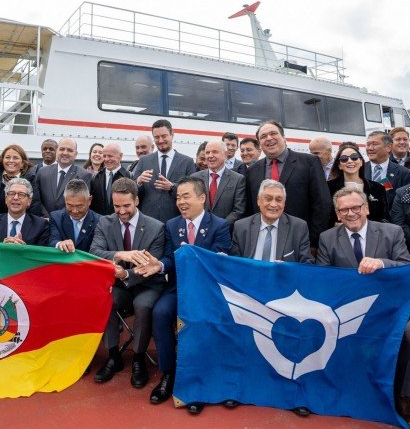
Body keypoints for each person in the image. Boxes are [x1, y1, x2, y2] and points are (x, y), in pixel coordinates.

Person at [316, 187, 410, 426]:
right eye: (344, 210)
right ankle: (340, 389)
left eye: (356, 208)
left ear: (367, 208)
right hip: (347, 308)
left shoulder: (391, 232)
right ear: (338, 213)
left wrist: (381, 263)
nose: (351, 213)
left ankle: (403, 397)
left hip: (391, 306)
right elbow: (323, 277)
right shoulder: (327, 238)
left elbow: (406, 267)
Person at [136, 177, 230, 413]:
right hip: (179, 288)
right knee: (160, 312)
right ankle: (168, 373)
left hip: (207, 292)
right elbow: (169, 257)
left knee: (198, 320)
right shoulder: (172, 225)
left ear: (201, 198)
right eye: (178, 197)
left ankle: (199, 380)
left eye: (186, 196)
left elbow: (220, 263)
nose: (180, 201)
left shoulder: (219, 226)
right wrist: (159, 266)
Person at [90, 178, 165, 389]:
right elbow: (94, 252)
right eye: (116, 206)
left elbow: (149, 267)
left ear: (137, 201)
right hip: (119, 285)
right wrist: (121, 254)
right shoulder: (105, 222)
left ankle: (139, 358)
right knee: (106, 300)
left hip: (147, 284)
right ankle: (113, 356)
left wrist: (125, 274)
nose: (121, 211)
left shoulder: (156, 227)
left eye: (126, 206)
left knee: (143, 306)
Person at [245, 120, 332, 248]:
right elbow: (250, 208)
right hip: (262, 241)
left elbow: (322, 204)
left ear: (283, 137)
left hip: (300, 241)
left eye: (273, 133)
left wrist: (313, 242)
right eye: (263, 136)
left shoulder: (310, 162)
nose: (269, 138)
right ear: (260, 144)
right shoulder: (252, 170)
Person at [230, 179, 312, 262]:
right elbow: (234, 263)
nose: (273, 204)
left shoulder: (298, 228)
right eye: (268, 199)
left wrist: (287, 268)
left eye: (279, 200)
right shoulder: (241, 227)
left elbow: (307, 264)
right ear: (258, 200)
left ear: (284, 203)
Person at [134, 119, 197, 223]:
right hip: (148, 222)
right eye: (157, 137)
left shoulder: (187, 162)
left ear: (172, 135)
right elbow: (133, 192)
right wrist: (138, 181)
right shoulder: (144, 161)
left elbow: (193, 191)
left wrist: (172, 187)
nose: (160, 140)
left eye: (164, 136)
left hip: (178, 221)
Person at [326, 142, 389, 222]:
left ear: (361, 162)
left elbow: (385, 218)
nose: (350, 161)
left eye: (354, 157)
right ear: (339, 165)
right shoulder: (328, 188)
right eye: (344, 159)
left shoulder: (378, 188)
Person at [34, 137, 92, 217]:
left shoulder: (84, 175)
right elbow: (36, 199)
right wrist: (46, 217)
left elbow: (82, 203)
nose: (65, 153)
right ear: (57, 151)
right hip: (44, 222)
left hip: (68, 223)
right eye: (62, 149)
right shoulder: (42, 172)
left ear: (75, 154)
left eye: (70, 150)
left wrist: (57, 220)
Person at [191, 140, 245, 225]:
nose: (210, 155)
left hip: (225, 232)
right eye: (207, 152)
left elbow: (238, 210)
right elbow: (191, 205)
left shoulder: (238, 179)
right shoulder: (195, 178)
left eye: (215, 152)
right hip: (199, 230)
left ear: (225, 154)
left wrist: (220, 227)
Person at [0, 177, 49, 246]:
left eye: (21, 194)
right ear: (6, 199)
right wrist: (2, 248)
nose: (15, 198)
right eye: (11, 194)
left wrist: (23, 249)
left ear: (29, 201)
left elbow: (41, 254)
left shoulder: (41, 225)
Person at [364, 130, 410, 209]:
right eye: (368, 144)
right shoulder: (359, 170)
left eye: (374, 144)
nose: (370, 148)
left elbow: (406, 205)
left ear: (388, 147)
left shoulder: (403, 173)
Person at [50, 179, 100, 252]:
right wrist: (60, 243)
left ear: (89, 200)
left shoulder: (99, 221)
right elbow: (52, 241)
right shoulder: (56, 217)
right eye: (69, 205)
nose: (74, 211)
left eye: (79, 206)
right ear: (64, 199)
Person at [89, 142, 130, 215]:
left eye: (110, 156)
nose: (107, 159)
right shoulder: (95, 178)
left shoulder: (129, 177)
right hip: (100, 223)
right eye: (104, 156)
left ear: (120, 156)